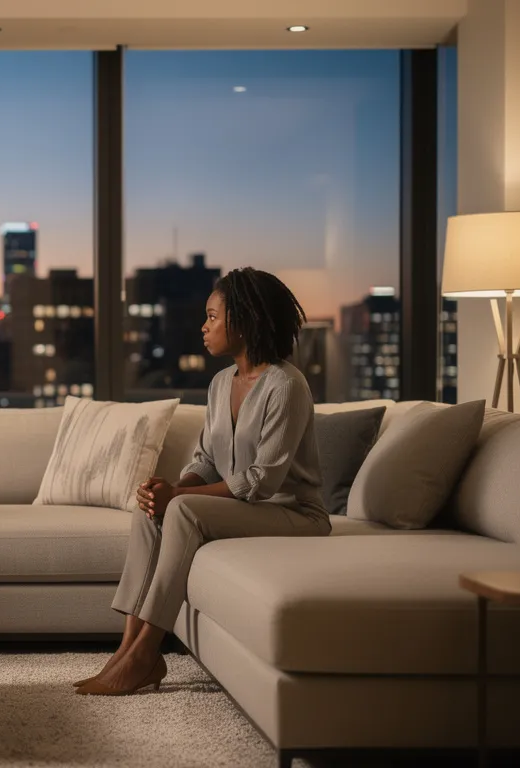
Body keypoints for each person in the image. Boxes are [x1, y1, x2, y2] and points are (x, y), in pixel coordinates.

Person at [75, 267, 331, 696]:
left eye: (212, 316)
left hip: (293, 513)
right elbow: (208, 461)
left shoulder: (286, 385)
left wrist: (180, 494)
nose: (204, 326)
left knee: (181, 507)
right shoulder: (219, 384)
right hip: (249, 507)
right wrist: (167, 489)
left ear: (245, 321)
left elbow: (260, 482)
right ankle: (126, 651)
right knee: (151, 510)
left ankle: (146, 653)